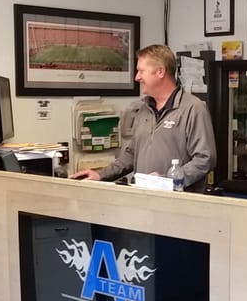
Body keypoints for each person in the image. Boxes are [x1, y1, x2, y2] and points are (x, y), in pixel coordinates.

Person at [72, 44, 215, 191]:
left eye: (141, 71)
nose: (137, 77)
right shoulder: (144, 109)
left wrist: (167, 181)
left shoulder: (193, 108)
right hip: (143, 198)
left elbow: (204, 159)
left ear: (160, 72)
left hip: (177, 201)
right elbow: (131, 155)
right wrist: (101, 175)